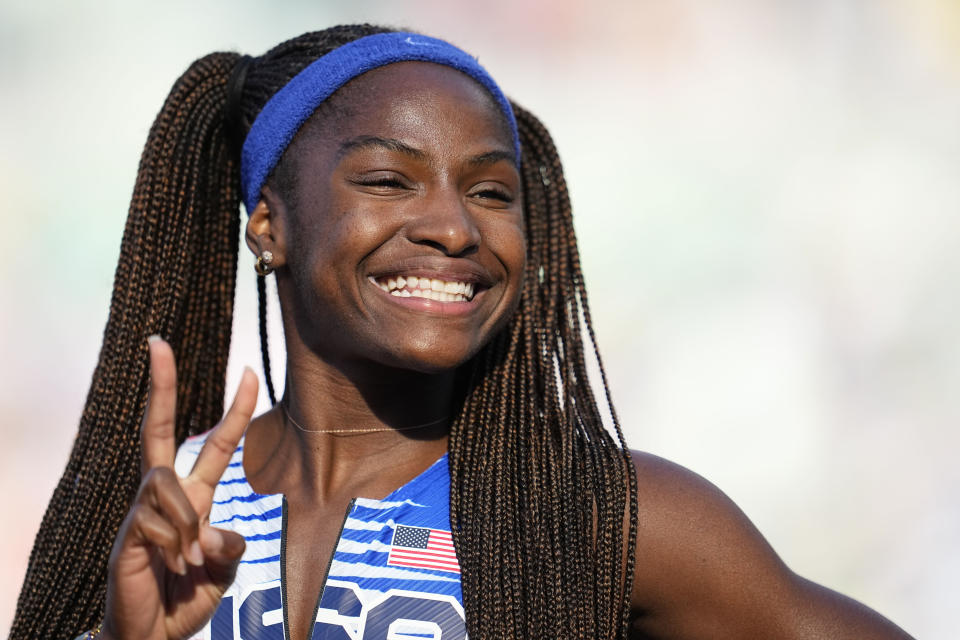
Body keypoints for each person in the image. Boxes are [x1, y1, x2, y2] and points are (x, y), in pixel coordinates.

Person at [11, 24, 913, 640]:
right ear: (268, 225)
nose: (454, 227)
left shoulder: (596, 516)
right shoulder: (168, 516)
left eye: (490, 191)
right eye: (388, 181)